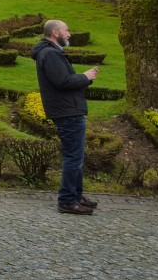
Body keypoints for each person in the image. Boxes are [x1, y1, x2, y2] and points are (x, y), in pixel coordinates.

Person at [32, 19, 100, 216]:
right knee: (73, 158)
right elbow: (62, 81)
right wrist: (85, 77)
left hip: (68, 109)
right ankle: (68, 200)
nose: (69, 34)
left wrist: (84, 78)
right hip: (67, 111)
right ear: (55, 33)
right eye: (66, 30)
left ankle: (76, 196)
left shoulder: (51, 53)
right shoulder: (50, 53)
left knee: (76, 157)